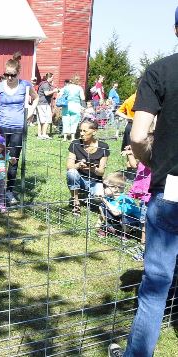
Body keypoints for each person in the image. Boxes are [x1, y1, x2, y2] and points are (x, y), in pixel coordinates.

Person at [108, 9, 178, 357]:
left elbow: (137, 133)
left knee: (155, 285)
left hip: (171, 190)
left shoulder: (160, 71)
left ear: (175, 27)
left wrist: (152, 160)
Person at [0, 59, 38, 204]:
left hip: (18, 128)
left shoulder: (25, 85)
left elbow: (36, 98)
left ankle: (9, 191)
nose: (9, 78)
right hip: (2, 128)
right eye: (7, 75)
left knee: (13, 160)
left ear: (18, 73)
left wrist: (30, 111)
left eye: (13, 75)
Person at [66, 119, 109, 216]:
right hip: (79, 178)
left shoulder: (103, 147)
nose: (81, 133)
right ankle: (76, 202)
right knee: (71, 172)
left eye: (84, 131)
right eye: (80, 130)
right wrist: (78, 165)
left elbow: (101, 172)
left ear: (94, 131)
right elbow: (69, 166)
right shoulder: (75, 144)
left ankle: (85, 196)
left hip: (95, 180)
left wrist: (94, 169)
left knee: (97, 201)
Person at [97, 172, 141, 237]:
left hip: (132, 221)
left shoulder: (125, 199)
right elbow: (103, 212)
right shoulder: (109, 197)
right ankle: (109, 227)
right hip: (119, 220)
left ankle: (126, 234)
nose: (103, 188)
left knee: (124, 218)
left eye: (105, 186)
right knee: (102, 206)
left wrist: (104, 200)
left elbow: (117, 213)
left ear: (115, 188)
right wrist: (97, 225)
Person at [60, 74, 85, 142]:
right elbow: (83, 98)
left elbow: (60, 94)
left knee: (65, 120)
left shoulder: (66, 87)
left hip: (66, 105)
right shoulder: (79, 88)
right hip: (76, 106)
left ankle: (65, 137)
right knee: (74, 121)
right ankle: (72, 137)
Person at [115, 81, 138, 151]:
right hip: (136, 126)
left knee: (129, 152)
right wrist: (128, 117)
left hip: (130, 126)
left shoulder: (129, 99)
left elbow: (118, 112)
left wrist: (128, 117)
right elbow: (117, 112)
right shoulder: (139, 99)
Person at [37, 73, 59, 139]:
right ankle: (44, 134)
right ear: (49, 77)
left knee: (41, 120)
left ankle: (40, 135)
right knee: (47, 119)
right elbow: (46, 93)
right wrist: (54, 91)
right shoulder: (46, 84)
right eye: (52, 77)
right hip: (44, 104)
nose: (53, 79)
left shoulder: (43, 83)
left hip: (41, 103)